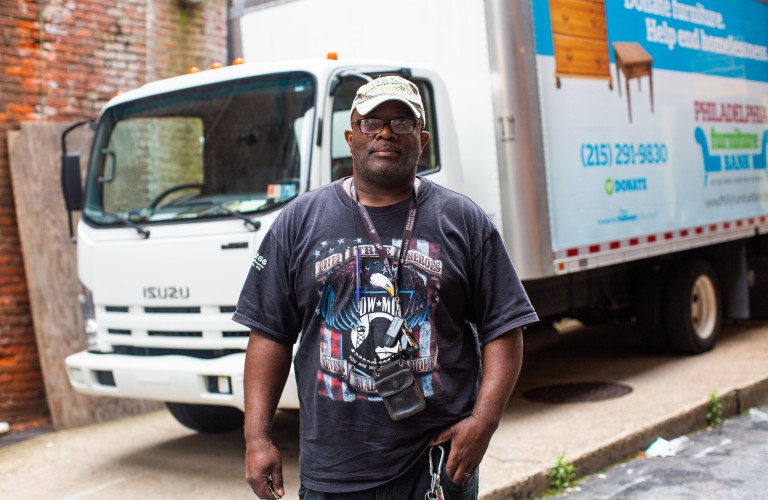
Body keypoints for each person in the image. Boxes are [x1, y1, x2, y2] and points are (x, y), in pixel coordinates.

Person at [233, 75, 538, 499]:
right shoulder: (299, 221)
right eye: (372, 122)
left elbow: (504, 328)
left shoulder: (463, 220)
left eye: (402, 122)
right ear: (350, 136)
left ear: (422, 138)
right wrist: (257, 439)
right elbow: (268, 333)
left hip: (436, 466)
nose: (386, 133)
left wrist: (484, 423)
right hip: (333, 471)